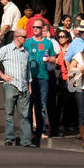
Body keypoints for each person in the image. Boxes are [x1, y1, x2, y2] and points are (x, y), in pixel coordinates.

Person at [0, 27, 33, 147]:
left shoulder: (25, 52)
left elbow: (27, 70)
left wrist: (29, 84)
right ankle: (9, 138)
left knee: (24, 115)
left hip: (23, 86)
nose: (26, 39)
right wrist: (2, 75)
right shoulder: (6, 49)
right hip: (10, 85)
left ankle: (26, 140)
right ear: (17, 37)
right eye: (24, 37)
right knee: (9, 113)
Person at [26, 16, 57, 145]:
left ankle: (41, 129)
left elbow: (54, 58)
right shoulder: (28, 42)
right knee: (29, 104)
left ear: (43, 28)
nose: (35, 29)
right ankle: (28, 130)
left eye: (38, 27)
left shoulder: (48, 43)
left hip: (43, 77)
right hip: (30, 77)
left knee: (42, 105)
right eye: (34, 27)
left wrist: (51, 59)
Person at [49, 30, 77, 137]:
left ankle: (69, 122)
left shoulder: (71, 48)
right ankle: (59, 124)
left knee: (71, 101)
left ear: (68, 38)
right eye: (59, 37)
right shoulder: (56, 49)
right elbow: (55, 61)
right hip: (60, 76)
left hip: (71, 76)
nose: (61, 38)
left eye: (63, 36)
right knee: (59, 102)